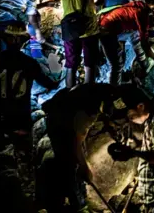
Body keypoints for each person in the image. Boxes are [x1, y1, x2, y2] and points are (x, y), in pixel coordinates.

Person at [0, 25, 59, 155]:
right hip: (21, 119)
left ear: (4, 39)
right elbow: (47, 83)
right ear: (22, 41)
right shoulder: (30, 63)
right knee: (25, 159)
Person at [41, 83, 120, 212]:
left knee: (72, 159)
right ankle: (73, 203)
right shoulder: (89, 111)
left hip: (61, 107)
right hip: (57, 121)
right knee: (69, 162)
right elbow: (76, 144)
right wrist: (85, 167)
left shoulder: (99, 91)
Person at [107, 86, 154, 212]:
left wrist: (132, 153)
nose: (129, 118)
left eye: (129, 114)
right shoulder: (152, 119)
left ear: (140, 106)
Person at [54, 0, 105, 88]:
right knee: (89, 63)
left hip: (70, 25)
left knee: (70, 64)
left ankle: (69, 93)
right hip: (89, 25)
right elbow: (101, 0)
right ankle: (87, 93)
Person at [99, 0, 154, 84]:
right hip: (106, 30)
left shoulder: (141, 4)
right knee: (117, 65)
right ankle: (113, 92)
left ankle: (144, 65)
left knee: (135, 35)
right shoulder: (142, 15)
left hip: (114, 25)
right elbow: (145, 46)